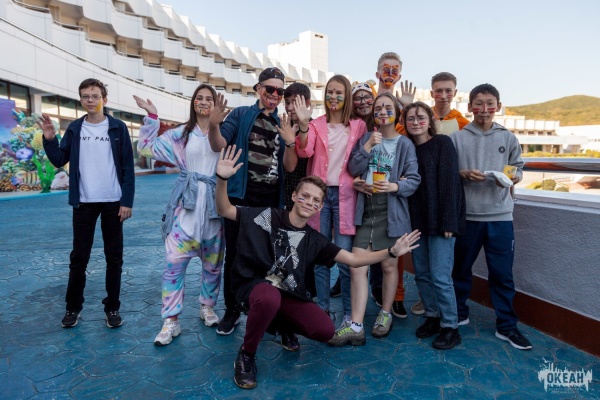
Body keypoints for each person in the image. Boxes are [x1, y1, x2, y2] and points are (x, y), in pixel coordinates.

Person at [215, 145, 421, 389]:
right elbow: (224, 209)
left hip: (287, 293)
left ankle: (282, 325)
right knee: (269, 298)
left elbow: (353, 259)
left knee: (324, 330)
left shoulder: (315, 240)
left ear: (320, 207)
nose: (309, 202)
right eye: (305, 196)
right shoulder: (268, 217)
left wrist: (391, 252)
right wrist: (222, 179)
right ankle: (247, 354)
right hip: (255, 286)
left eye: (316, 200)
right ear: (294, 196)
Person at [134, 84, 228, 345]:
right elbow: (145, 148)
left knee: (213, 265)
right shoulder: (180, 134)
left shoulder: (224, 132)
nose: (204, 102)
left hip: (214, 208)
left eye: (209, 99)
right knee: (173, 266)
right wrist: (152, 117)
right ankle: (171, 320)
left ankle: (207, 306)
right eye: (199, 98)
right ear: (193, 102)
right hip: (185, 209)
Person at [207, 67, 298, 336]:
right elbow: (218, 144)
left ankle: (264, 310)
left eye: (280, 91)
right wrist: (213, 124)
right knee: (235, 255)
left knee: (268, 258)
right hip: (240, 195)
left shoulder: (283, 122)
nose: (275, 95)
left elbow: (290, 167)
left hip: (270, 199)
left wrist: (290, 143)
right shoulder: (241, 114)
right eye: (270, 89)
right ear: (258, 89)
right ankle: (232, 309)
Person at [38, 78, 135, 328]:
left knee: (114, 258)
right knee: (79, 257)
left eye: (95, 96)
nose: (90, 100)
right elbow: (59, 159)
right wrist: (49, 138)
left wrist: (126, 201)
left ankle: (112, 308)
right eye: (85, 96)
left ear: (104, 99)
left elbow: (127, 166)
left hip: (113, 202)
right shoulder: (75, 128)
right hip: (84, 202)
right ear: (81, 99)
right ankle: (73, 308)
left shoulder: (118, 127)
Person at [329, 93, 420, 345]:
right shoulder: (367, 137)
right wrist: (367, 147)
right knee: (357, 266)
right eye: (378, 108)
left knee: (389, 266)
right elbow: (353, 169)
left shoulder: (405, 144)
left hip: (392, 212)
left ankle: (385, 313)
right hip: (366, 210)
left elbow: (414, 179)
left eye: (388, 107)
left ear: (396, 113)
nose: (382, 112)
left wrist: (394, 186)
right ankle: (356, 325)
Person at [450, 83, 531, 350]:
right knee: (460, 270)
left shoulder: (508, 138)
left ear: (498, 106)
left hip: (500, 216)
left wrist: (510, 178)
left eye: (489, 104)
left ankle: (506, 326)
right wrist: (462, 174)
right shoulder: (457, 138)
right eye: (478, 103)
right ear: (470, 107)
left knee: (502, 274)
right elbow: (448, 172)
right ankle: (458, 314)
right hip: (467, 216)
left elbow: (517, 168)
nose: (484, 109)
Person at [293, 75, 367, 328]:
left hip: (347, 196)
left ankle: (348, 312)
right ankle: (322, 309)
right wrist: (304, 126)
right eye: (330, 92)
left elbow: (363, 158)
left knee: (345, 258)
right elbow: (305, 151)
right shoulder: (316, 124)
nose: (333, 97)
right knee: (319, 256)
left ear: (347, 97)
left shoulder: (358, 126)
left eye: (339, 92)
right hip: (320, 197)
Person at [404, 102, 465, 350]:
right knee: (422, 274)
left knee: (440, 276)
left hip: (441, 222)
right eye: (410, 118)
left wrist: (450, 221)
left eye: (421, 117)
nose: (415, 122)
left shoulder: (442, 143)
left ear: (430, 120)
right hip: (417, 222)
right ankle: (432, 316)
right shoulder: (407, 149)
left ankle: (450, 326)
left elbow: (451, 184)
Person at [283, 82, 312, 210]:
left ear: (307, 103)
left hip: (306, 193)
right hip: (283, 191)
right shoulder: (284, 125)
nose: (290, 107)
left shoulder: (315, 127)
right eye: (287, 103)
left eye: (295, 102)